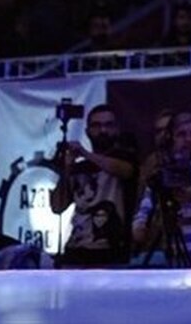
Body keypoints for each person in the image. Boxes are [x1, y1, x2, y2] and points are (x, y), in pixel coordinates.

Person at [131, 111, 191, 266]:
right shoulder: (163, 172)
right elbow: (144, 209)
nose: (188, 139)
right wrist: (139, 226)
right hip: (174, 258)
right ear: (172, 138)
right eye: (182, 134)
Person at [51, 103, 138, 266]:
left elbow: (125, 171)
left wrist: (85, 153)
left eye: (108, 125)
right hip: (77, 249)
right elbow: (57, 207)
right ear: (87, 131)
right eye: (96, 125)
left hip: (112, 251)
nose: (103, 130)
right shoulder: (80, 168)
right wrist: (67, 169)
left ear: (117, 129)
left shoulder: (127, 157)